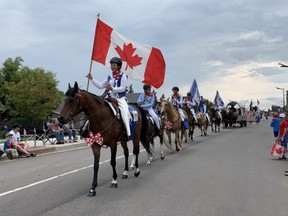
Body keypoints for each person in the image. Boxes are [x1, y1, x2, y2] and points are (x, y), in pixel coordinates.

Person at [87, 57, 131, 141]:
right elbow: (100, 85)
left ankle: (127, 133)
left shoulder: (123, 76)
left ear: (118, 66)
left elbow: (123, 88)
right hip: (110, 97)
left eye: (114, 65)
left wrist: (112, 89)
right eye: (111, 65)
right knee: (96, 109)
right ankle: (87, 130)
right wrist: (92, 79)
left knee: (125, 113)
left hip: (120, 98)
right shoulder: (109, 77)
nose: (112, 67)